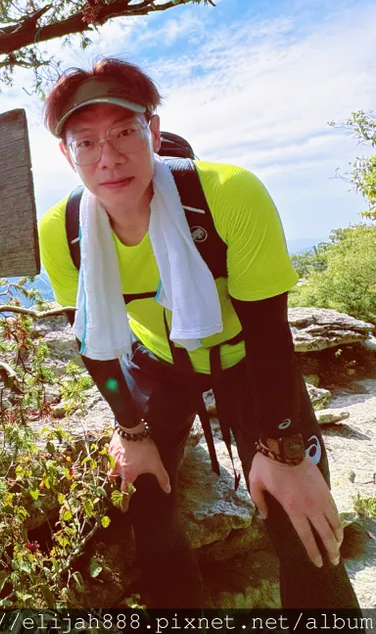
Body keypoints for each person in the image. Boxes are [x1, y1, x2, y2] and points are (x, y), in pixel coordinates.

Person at [37, 57, 360, 609]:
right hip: (158, 364)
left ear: (153, 130)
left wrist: (283, 450)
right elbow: (95, 347)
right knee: (145, 506)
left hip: (247, 361)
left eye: (124, 132)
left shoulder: (229, 193)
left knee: (304, 525)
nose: (108, 157)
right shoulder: (62, 231)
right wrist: (130, 431)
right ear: (68, 155)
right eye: (86, 142)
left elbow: (269, 336)